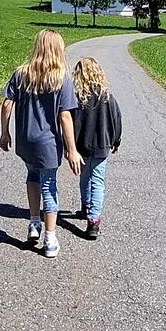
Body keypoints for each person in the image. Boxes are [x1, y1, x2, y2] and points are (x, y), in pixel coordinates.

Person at [0, 28, 80, 258]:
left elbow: (6, 104)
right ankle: (50, 238)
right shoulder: (61, 78)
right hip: (49, 144)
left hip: (26, 141)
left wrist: (5, 133)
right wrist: (72, 149)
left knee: (32, 177)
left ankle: (34, 222)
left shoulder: (21, 73)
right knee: (49, 184)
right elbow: (65, 116)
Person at [70, 56, 122, 240]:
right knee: (98, 181)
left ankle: (85, 206)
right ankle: (93, 221)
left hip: (81, 146)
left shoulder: (76, 99)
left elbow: (71, 124)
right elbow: (116, 120)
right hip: (102, 145)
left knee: (84, 177)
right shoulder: (108, 97)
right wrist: (116, 140)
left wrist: (70, 148)